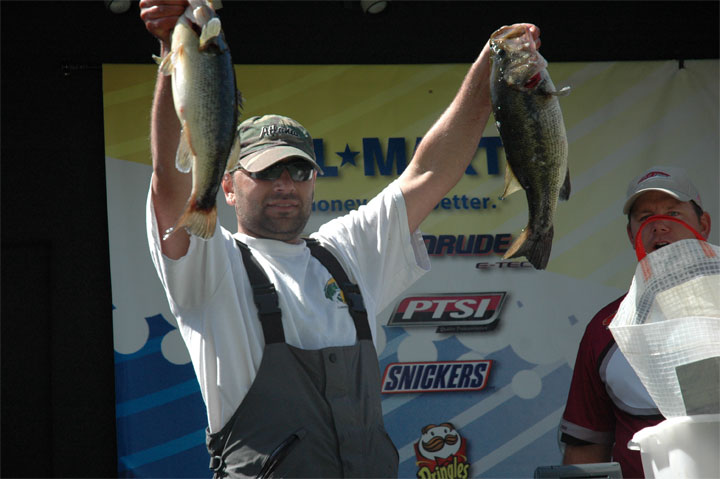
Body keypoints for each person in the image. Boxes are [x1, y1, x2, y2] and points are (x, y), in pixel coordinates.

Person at [140, 1, 540, 476]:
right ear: (227, 185)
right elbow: (169, 180)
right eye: (266, 171)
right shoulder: (212, 264)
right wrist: (175, 52)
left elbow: (430, 170)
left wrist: (491, 64)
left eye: (298, 170)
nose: (284, 184)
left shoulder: (343, 253)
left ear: (314, 180)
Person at [559, 165, 712, 478]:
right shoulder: (606, 328)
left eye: (674, 213)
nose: (660, 226)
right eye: (645, 217)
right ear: (632, 235)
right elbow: (586, 445)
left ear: (704, 224)